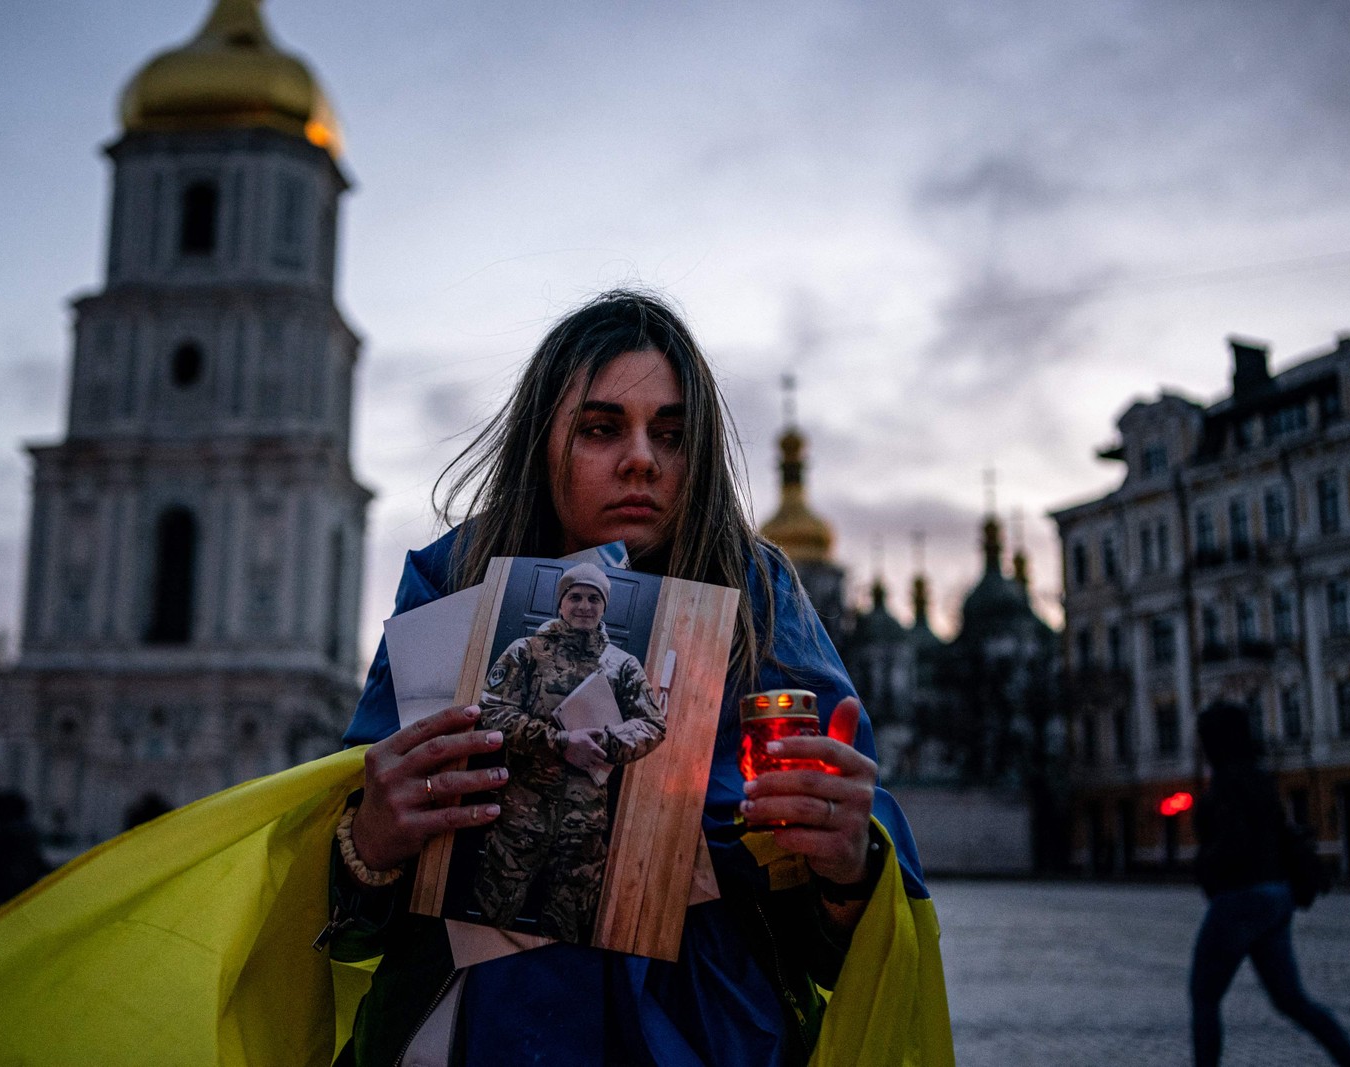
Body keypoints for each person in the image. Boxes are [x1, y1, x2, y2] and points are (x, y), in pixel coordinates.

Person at [330, 290, 938, 1067]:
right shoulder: (454, 582)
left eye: (674, 434)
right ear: (543, 443)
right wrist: (372, 840)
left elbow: (834, 938)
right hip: (466, 1036)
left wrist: (847, 861)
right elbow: (349, 911)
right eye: (601, 427)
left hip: (709, 1034)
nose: (643, 457)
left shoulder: (759, 597)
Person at [471, 562, 665, 942]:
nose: (584, 605)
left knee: (568, 934)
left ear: (604, 607)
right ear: (560, 603)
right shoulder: (526, 652)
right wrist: (560, 743)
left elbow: (653, 725)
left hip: (584, 829)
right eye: (575, 596)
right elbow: (492, 713)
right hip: (520, 819)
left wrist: (604, 742)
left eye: (594, 598)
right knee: (488, 926)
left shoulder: (622, 666)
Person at [1190, 701, 1350, 1067]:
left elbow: (1232, 843)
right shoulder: (1261, 779)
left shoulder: (1227, 784)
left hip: (1239, 898)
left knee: (1204, 997)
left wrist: (1205, 865)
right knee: (1292, 1000)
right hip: (1276, 897)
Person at [0, 791, 52, 919]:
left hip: (2, 893)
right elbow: (37, 862)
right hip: (23, 892)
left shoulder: (4, 831)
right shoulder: (28, 831)